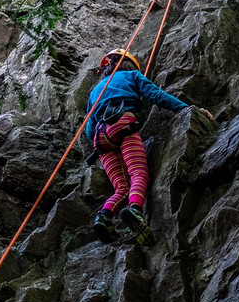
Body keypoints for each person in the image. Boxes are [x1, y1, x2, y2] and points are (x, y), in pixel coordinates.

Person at [85, 49, 212, 245]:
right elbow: (156, 95)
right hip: (123, 124)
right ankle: (135, 211)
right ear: (130, 64)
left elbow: (88, 129)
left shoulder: (95, 91)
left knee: (121, 188)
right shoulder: (132, 75)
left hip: (101, 140)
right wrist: (186, 108)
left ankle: (103, 217)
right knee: (138, 174)